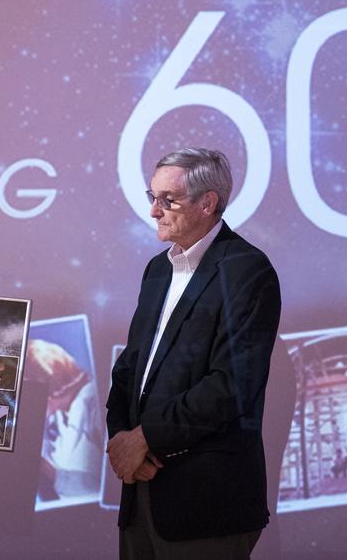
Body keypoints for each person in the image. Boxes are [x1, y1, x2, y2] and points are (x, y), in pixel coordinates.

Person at [105, 148, 281, 559]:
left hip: (206, 505)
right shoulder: (156, 270)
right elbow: (129, 369)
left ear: (208, 203)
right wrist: (121, 440)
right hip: (142, 490)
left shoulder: (247, 270)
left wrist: (146, 438)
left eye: (168, 200)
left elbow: (231, 385)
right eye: (152, 196)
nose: (154, 210)